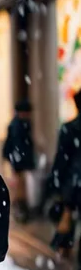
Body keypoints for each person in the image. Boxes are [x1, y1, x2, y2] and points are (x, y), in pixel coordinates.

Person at [47, 89, 81, 257]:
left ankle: (64, 247)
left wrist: (56, 182)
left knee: (68, 216)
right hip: (75, 181)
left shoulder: (69, 128)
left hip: (73, 182)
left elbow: (61, 159)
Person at [2, 99, 36, 223]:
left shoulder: (18, 123)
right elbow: (17, 144)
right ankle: (20, 209)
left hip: (17, 159)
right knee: (20, 185)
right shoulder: (19, 125)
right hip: (18, 160)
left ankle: (20, 208)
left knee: (20, 185)